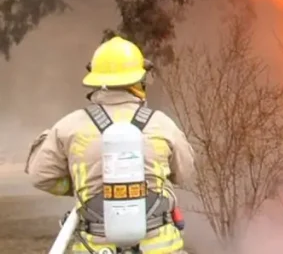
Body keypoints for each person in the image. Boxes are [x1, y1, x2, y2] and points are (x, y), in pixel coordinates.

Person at [25, 36, 196, 253]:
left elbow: (41, 177)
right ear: (139, 81)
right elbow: (184, 174)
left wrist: (82, 187)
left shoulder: (69, 127)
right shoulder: (161, 124)